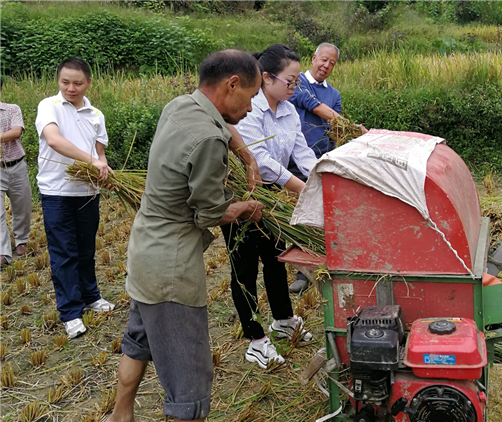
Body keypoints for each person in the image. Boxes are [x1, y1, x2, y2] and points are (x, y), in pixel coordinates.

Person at [106, 50, 264, 422]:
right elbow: (211, 213)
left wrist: (247, 156)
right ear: (232, 85)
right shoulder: (208, 139)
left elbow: (221, 127)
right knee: (189, 383)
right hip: (171, 272)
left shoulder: (180, 105)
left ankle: (120, 416)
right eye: (252, 97)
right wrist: (246, 206)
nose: (252, 109)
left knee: (137, 343)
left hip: (145, 251)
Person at [222, 44, 316, 371]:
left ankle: (284, 320)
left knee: (276, 259)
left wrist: (325, 178)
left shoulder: (289, 111)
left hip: (274, 194)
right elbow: (259, 161)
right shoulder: (248, 108)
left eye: (296, 83)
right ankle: (256, 340)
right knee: (244, 269)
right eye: (290, 81)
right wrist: (303, 189)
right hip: (244, 192)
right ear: (266, 77)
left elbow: (302, 154)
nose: (294, 88)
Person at [35, 58, 115, 339]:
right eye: (65, 82)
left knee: (86, 249)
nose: (71, 88)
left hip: (87, 192)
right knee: (63, 253)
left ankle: (91, 296)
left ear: (88, 83)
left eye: (77, 83)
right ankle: (70, 312)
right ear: (58, 81)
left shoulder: (96, 114)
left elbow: (101, 153)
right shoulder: (49, 106)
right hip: (56, 192)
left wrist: (103, 167)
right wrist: (92, 160)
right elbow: (54, 140)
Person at [287, 42, 367, 293]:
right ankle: (299, 267)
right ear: (313, 58)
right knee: (300, 214)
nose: (326, 66)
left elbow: (335, 131)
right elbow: (313, 106)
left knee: (324, 214)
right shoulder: (296, 82)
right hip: (297, 160)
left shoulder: (334, 95)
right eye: (323, 60)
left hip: (322, 159)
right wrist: (354, 127)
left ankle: (316, 267)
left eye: (332, 63)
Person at [0, 76, 32, 267]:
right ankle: (3, 251)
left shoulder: (12, 109)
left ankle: (21, 240)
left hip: (16, 165)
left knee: (22, 207)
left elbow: (16, 131)